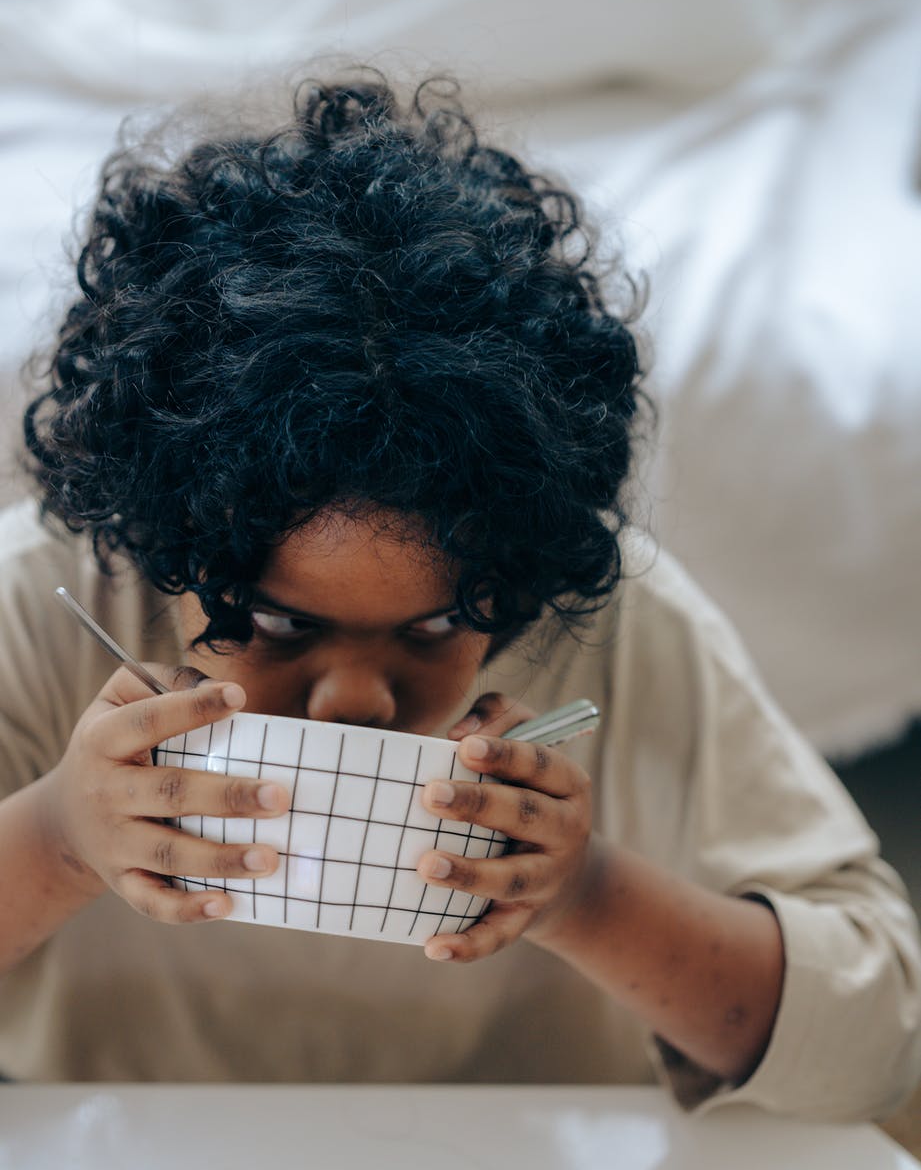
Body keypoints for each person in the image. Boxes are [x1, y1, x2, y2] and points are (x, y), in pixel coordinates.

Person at [0, 69, 918, 1115]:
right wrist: (58, 837)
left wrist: (585, 894)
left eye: (439, 626)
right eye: (273, 622)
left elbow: (878, 1038)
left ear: (518, 581)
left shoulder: (617, 631)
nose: (356, 699)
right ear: (158, 545)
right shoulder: (42, 600)